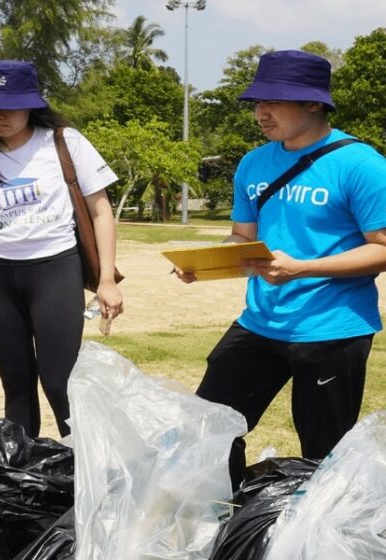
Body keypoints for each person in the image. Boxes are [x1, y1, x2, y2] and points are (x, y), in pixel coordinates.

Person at [174, 50, 386, 490]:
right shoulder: (254, 163)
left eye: (273, 102)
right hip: (260, 321)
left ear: (313, 103)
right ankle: (224, 523)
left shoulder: (362, 165)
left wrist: (303, 269)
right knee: (211, 427)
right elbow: (243, 238)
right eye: (256, 102)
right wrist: (207, 263)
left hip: (332, 329)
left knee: (323, 453)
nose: (260, 113)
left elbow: (382, 249)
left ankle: (317, 540)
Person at [0, 59, 123, 438]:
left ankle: (85, 472)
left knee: (60, 384)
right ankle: (25, 477)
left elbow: (100, 210)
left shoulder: (63, 142)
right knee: (16, 386)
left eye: (8, 105)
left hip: (55, 271)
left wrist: (107, 278)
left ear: (31, 104)